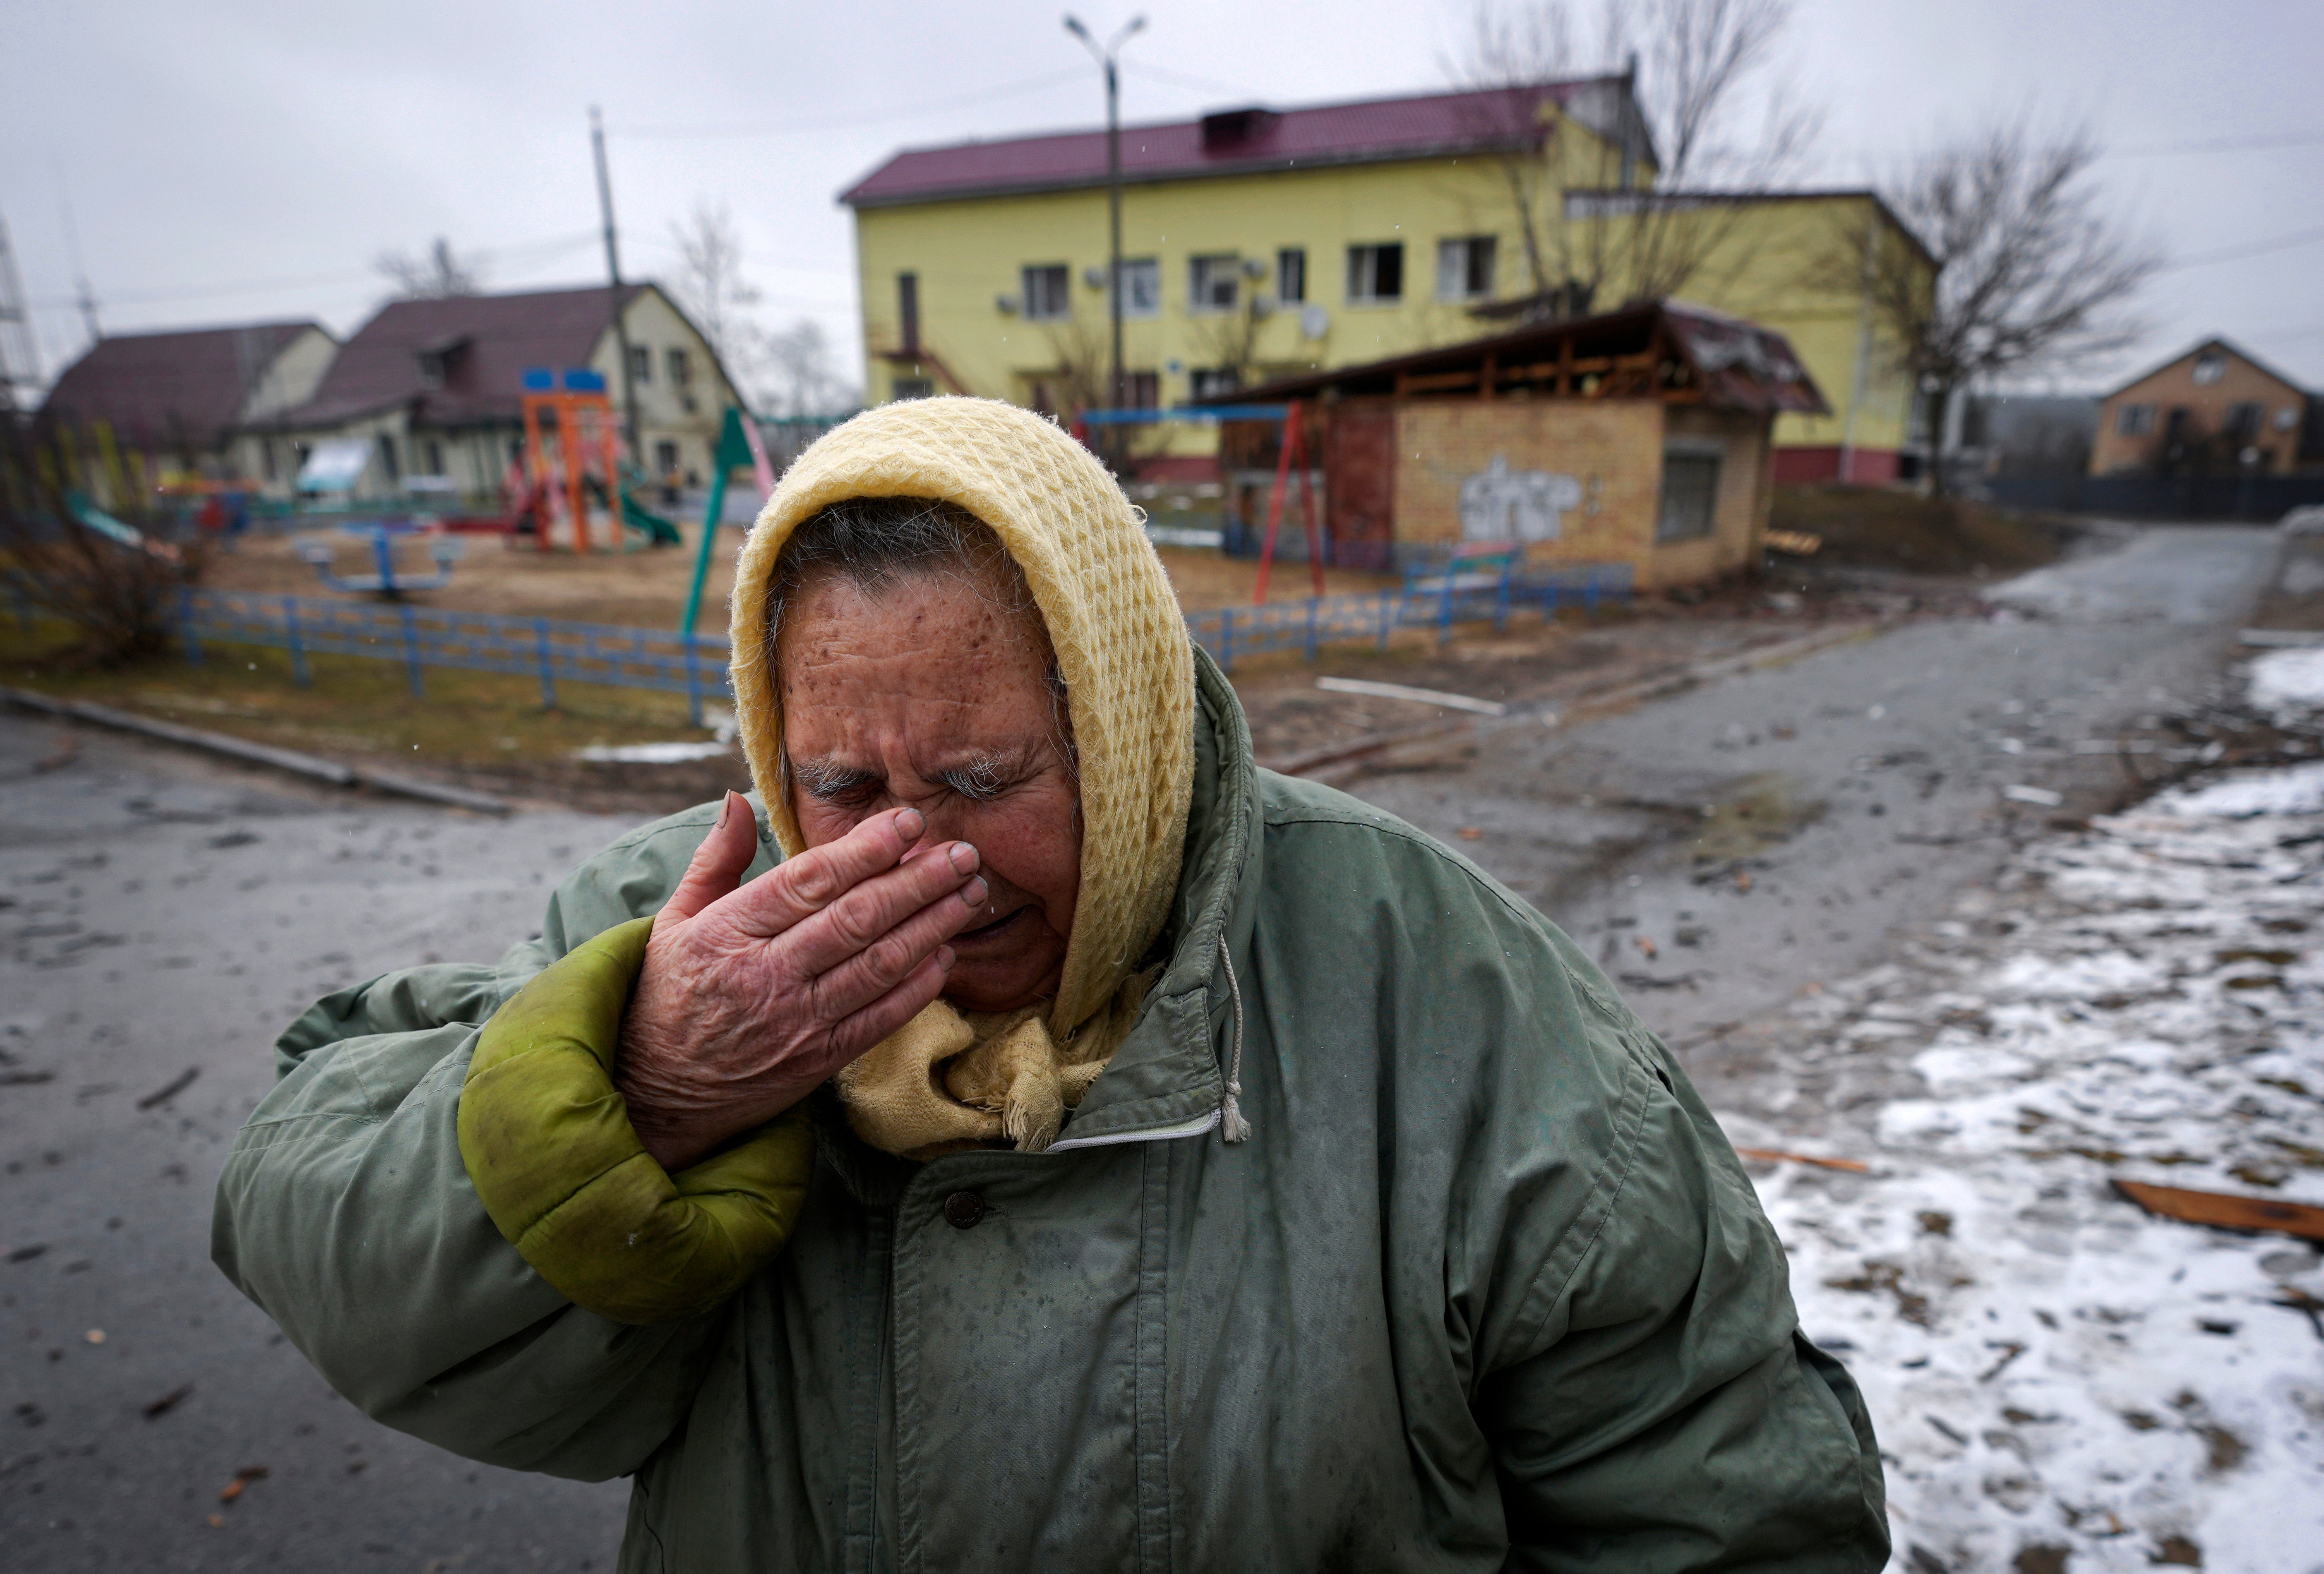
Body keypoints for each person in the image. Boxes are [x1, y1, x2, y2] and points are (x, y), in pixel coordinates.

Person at [215, 398, 1888, 1572]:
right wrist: (637, 1093)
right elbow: (314, 1210)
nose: (915, 863)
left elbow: (1714, 1512)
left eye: (985, 774)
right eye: (846, 790)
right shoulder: (681, 927)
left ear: (1134, 737)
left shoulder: (1437, 988)